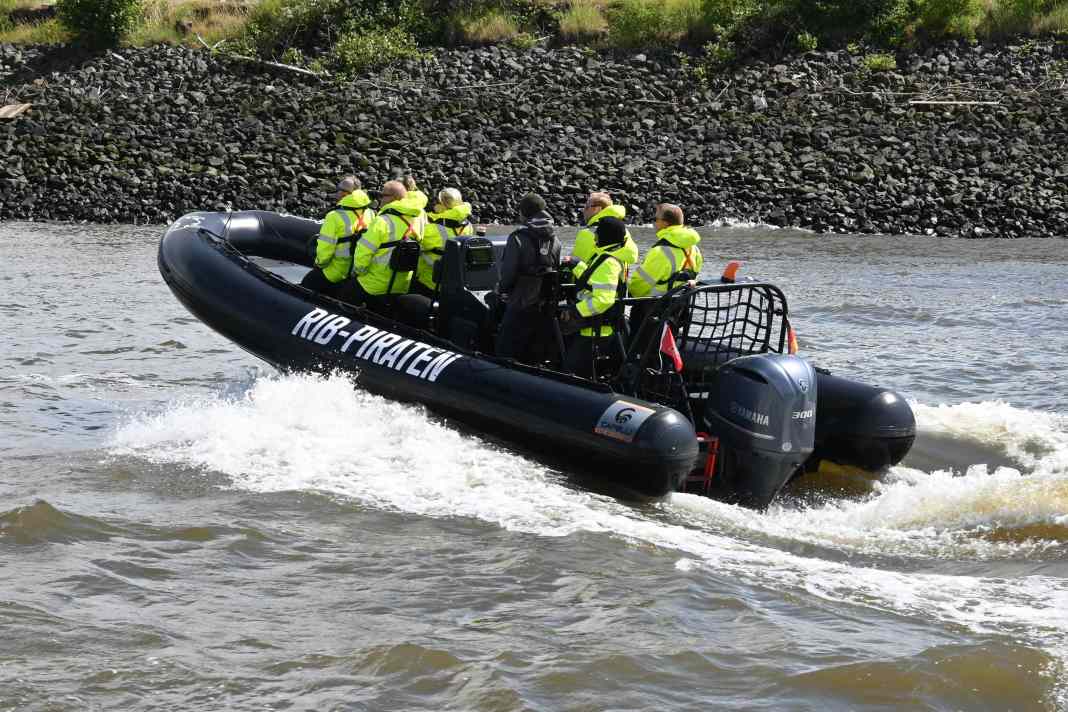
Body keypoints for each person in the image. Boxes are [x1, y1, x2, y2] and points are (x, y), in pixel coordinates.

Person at [561, 215, 637, 378]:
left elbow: (603, 299)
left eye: (598, 233)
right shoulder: (606, 256)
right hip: (596, 328)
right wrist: (576, 264)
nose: (594, 235)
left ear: (605, 236)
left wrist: (575, 311)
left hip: (595, 331)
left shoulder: (609, 262)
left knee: (572, 372)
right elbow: (593, 280)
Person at [494, 193, 561, 363]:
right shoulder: (556, 240)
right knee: (534, 350)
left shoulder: (517, 239)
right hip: (545, 304)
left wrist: (500, 291)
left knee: (505, 347)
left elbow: (508, 273)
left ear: (524, 213)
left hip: (520, 302)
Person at [627, 203, 704, 333]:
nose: (653, 223)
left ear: (666, 223)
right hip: (678, 311)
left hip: (652, 312)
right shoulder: (694, 249)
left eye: (655, 219)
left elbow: (639, 285)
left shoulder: (661, 251)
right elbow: (696, 274)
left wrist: (630, 295)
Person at [348, 180, 426, 308]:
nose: (380, 198)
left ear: (393, 198)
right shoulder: (418, 219)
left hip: (374, 284)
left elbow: (364, 251)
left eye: (383, 195)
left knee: (345, 292)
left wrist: (357, 272)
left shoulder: (382, 221)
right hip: (402, 286)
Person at [301, 177, 375, 297]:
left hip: (335, 272)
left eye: (339, 189)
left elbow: (325, 250)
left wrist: (318, 264)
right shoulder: (370, 213)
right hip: (354, 275)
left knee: (306, 284)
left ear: (346, 194)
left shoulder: (334, 216)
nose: (337, 193)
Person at [411, 187, 475, 299]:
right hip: (454, 280)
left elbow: (415, 245)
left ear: (441, 206)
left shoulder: (432, 228)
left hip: (429, 281)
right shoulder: (467, 225)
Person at [571, 192, 638, 264]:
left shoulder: (587, 233)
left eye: (587, 207)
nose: (583, 210)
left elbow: (576, 264)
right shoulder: (623, 231)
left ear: (597, 209)